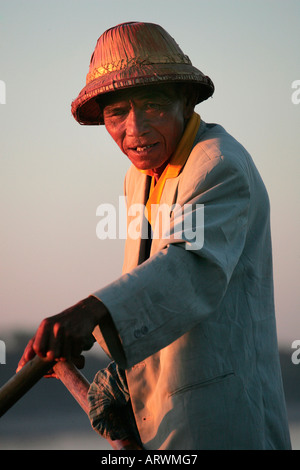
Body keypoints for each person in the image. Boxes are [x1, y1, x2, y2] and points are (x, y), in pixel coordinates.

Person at [17, 22, 292, 450]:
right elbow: (152, 300)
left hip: (225, 423)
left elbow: (186, 268)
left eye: (153, 106)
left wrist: (90, 315)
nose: (135, 129)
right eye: (116, 114)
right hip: (160, 424)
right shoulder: (138, 178)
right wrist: (116, 381)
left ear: (184, 101)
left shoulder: (220, 165)